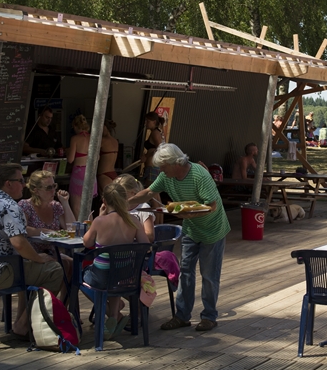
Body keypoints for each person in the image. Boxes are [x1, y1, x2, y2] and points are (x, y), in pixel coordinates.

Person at [127, 143, 229, 333]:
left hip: (213, 230)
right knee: (185, 272)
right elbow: (148, 192)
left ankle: (209, 317)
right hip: (191, 230)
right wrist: (126, 203)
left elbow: (212, 206)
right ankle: (182, 316)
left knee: (209, 275)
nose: (161, 170)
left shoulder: (199, 175)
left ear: (175, 163)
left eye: (163, 166)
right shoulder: (167, 177)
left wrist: (189, 215)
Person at [0, 163, 66, 339]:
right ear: (8, 183)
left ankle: (25, 320)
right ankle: (23, 325)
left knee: (35, 267)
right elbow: (19, 243)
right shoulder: (9, 206)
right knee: (54, 270)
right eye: (20, 180)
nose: (24, 185)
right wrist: (38, 258)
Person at [81, 179, 150, 340]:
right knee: (116, 273)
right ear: (125, 199)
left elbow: (87, 243)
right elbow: (146, 246)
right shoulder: (133, 220)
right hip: (126, 276)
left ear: (104, 201)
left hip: (101, 277)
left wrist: (100, 216)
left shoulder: (99, 221)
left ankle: (111, 314)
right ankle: (113, 316)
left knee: (80, 276)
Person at [114, 173, 157, 240]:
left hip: (138, 245)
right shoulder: (116, 208)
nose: (118, 197)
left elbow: (150, 235)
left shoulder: (144, 208)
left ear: (133, 192)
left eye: (122, 194)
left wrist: (130, 235)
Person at [66, 114, 92, 218]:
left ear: (76, 126)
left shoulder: (75, 139)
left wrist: (68, 152)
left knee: (76, 206)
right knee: (88, 208)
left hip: (79, 172)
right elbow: (98, 157)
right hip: (91, 173)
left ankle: (81, 227)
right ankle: (91, 226)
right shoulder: (92, 138)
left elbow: (70, 159)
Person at [141, 112, 165, 182]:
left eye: (148, 121)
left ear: (154, 122)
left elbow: (160, 149)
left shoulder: (155, 133)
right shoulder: (155, 132)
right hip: (152, 166)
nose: (145, 123)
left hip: (152, 167)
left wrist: (146, 156)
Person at [97, 120, 119, 193]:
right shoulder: (115, 141)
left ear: (105, 127)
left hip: (103, 174)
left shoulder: (102, 141)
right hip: (113, 173)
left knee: (106, 197)